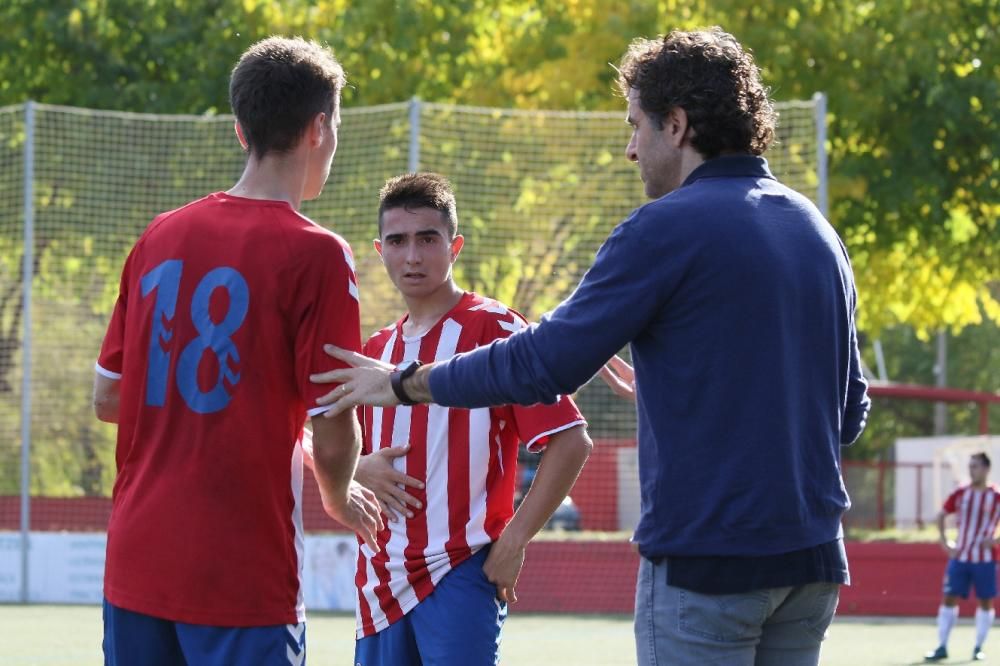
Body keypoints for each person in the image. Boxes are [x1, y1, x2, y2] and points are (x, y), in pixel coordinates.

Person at [312, 27, 871, 666]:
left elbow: (541, 363)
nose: (631, 148)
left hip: (707, 564)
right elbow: (847, 415)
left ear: (678, 125)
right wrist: (685, 388)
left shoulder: (663, 228)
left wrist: (405, 381)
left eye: (636, 125)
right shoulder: (817, 230)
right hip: (814, 562)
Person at [92, 36, 381, 665]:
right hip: (241, 573)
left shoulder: (158, 236)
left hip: (136, 561)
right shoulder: (319, 254)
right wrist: (336, 490)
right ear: (319, 128)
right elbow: (334, 429)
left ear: (239, 130)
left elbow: (110, 396)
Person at [327, 172, 592, 665]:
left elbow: (571, 441)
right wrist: (357, 465)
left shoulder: (496, 329)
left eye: (428, 239)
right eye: (398, 241)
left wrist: (513, 542)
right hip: (380, 577)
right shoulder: (375, 350)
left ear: (455, 246)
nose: (412, 255)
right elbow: (318, 438)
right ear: (379, 250)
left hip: (461, 568)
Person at [925, 452, 1000, 662]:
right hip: (960, 556)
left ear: (986, 469)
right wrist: (944, 540)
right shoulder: (961, 493)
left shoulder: (996, 496)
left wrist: (995, 540)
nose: (971, 470)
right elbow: (941, 515)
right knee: (949, 598)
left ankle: (978, 646)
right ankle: (941, 646)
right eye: (970, 466)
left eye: (975, 466)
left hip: (985, 559)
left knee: (985, 602)